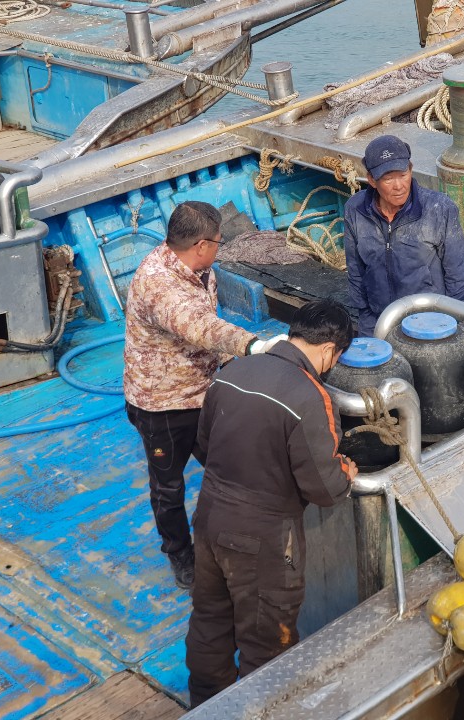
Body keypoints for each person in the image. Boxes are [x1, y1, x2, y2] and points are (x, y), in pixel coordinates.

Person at [185, 298, 358, 708]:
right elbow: (325, 488)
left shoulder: (232, 371)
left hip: (208, 521)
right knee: (266, 645)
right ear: (331, 351)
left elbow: (204, 446)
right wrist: (347, 470)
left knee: (209, 621)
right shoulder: (310, 396)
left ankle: (205, 708)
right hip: (262, 540)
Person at [123, 200, 284, 590]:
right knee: (168, 486)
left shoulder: (199, 267)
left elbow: (207, 325)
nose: (219, 249)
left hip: (204, 391)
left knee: (229, 466)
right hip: (163, 405)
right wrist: (255, 346)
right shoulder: (159, 284)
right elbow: (200, 327)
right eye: (217, 243)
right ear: (200, 245)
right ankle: (180, 553)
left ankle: (242, 539)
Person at [343, 134, 464, 336]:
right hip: (378, 319)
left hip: (431, 323)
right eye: (388, 179)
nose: (398, 186)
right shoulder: (355, 209)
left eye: (403, 175)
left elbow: (459, 275)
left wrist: (453, 327)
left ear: (411, 170)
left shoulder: (439, 208)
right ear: (371, 180)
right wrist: (366, 317)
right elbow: (356, 270)